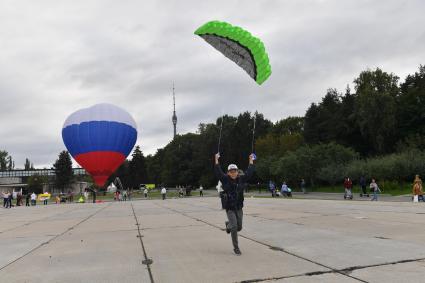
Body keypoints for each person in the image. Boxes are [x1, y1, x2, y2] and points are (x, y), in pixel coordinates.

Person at [215, 153, 255, 256]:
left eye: (235, 171)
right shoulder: (225, 179)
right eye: (231, 171)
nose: (233, 173)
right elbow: (218, 172)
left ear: (237, 172)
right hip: (230, 208)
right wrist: (216, 160)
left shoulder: (241, 179)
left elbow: (249, 173)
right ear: (228, 173)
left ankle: (228, 225)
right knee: (234, 227)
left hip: (239, 208)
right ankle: (236, 248)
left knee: (239, 227)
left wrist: (251, 161)